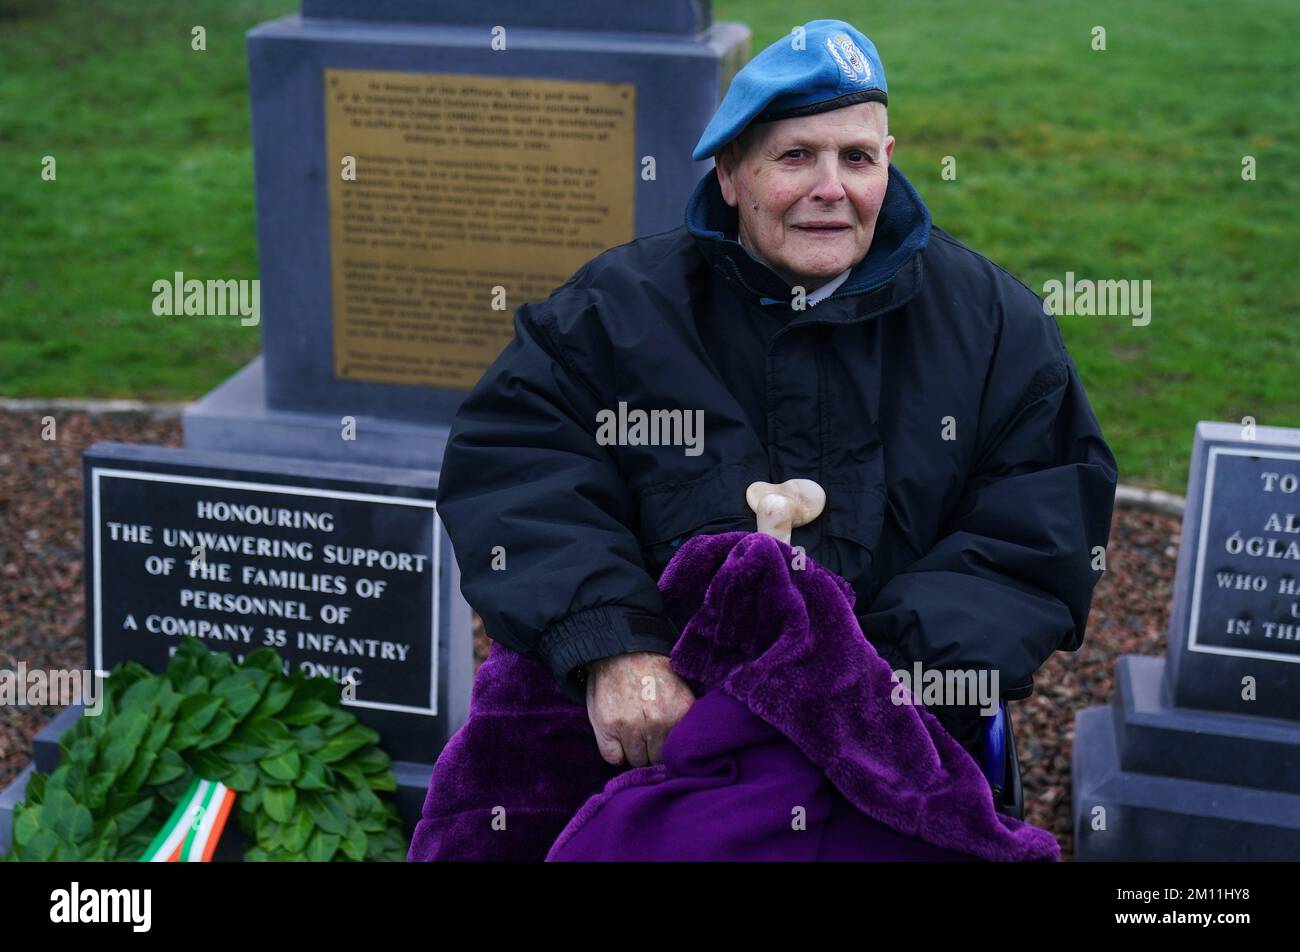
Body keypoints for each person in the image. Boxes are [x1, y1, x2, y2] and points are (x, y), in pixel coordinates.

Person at [435, 19, 1118, 769]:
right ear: (731, 176)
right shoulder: (613, 313)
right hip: (652, 741)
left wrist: (863, 692)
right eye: (795, 157)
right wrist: (612, 644)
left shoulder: (997, 328)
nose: (831, 189)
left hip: (886, 742)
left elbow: (1033, 539)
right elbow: (518, 467)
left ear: (888, 164)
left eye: (856, 158)